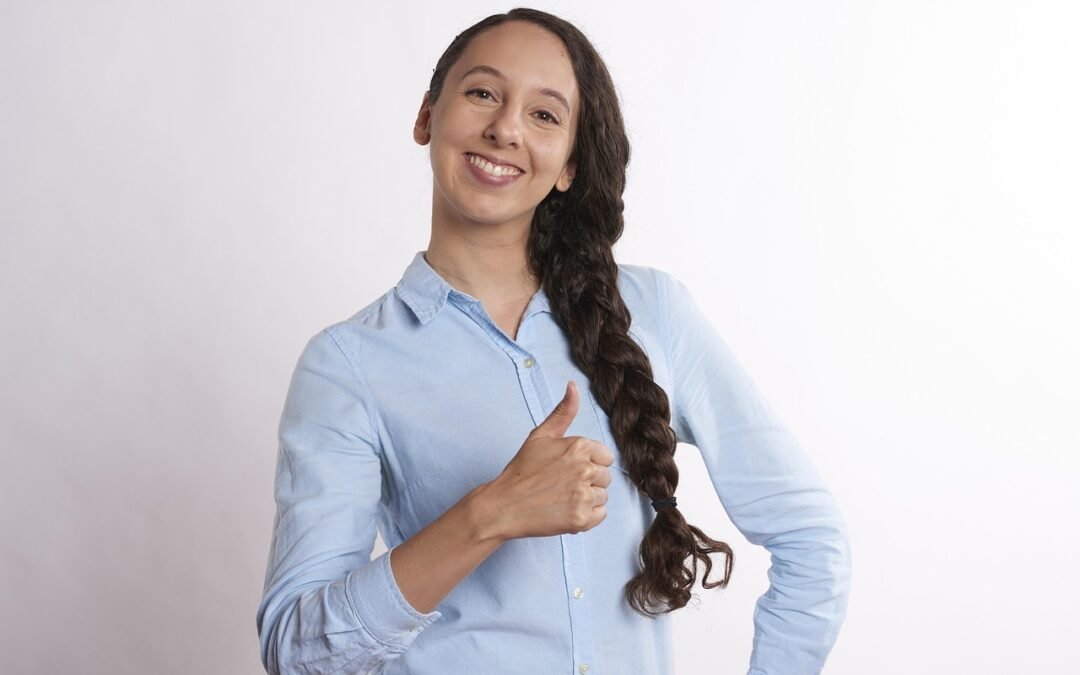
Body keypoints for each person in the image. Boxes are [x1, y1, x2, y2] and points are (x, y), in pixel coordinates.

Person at [256, 8, 851, 675]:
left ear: (569, 165)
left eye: (544, 115)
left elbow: (811, 537)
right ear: (427, 116)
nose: (505, 128)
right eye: (482, 92)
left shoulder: (653, 312)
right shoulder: (347, 366)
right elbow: (297, 652)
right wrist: (491, 512)